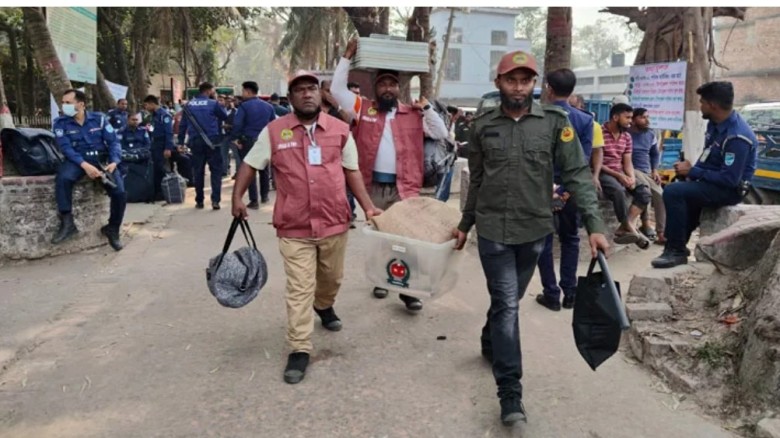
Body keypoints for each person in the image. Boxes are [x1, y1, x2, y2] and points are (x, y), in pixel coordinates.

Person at [453, 50, 609, 426]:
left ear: (535, 84)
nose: (519, 88)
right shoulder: (482, 125)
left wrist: (595, 225)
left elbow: (576, 173)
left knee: (506, 301)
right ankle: (510, 393)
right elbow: (477, 179)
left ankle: (490, 339)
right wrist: (465, 223)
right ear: (499, 83)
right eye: (512, 80)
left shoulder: (555, 123)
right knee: (508, 305)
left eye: (525, 81)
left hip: (534, 231)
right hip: (493, 230)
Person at [231, 70, 381, 385]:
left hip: (334, 221)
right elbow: (250, 164)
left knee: (331, 278)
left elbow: (352, 171)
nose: (307, 93)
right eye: (299, 90)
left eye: (312, 88)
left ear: (320, 94)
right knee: (299, 287)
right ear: (291, 98)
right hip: (294, 225)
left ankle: (324, 305)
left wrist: (367, 206)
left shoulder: (340, 130)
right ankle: (300, 347)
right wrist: (237, 197)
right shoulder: (274, 131)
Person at [332, 37, 449, 312]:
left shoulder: (414, 114)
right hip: (373, 188)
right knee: (382, 238)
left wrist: (427, 108)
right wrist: (347, 56)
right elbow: (336, 89)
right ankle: (383, 279)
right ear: (375, 88)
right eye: (383, 84)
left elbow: (441, 133)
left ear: (399, 88)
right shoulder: (363, 108)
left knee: (408, 239)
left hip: (404, 188)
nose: (387, 88)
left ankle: (408, 291)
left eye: (392, 84)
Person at [652, 81, 757, 268]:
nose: (700, 106)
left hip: (729, 190)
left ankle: (676, 250)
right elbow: (707, 156)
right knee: (683, 188)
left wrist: (694, 171)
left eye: (702, 102)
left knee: (674, 192)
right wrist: (690, 173)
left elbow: (730, 179)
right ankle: (676, 245)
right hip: (714, 183)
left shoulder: (737, 136)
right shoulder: (715, 125)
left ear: (713, 105)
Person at [534, 68, 594, 312]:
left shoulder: (538, 117)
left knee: (544, 241)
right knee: (570, 239)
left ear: (549, 89)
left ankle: (551, 294)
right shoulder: (585, 120)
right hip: (571, 190)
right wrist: (565, 191)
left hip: (542, 189)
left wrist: (552, 189)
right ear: (572, 90)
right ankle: (570, 293)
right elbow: (583, 161)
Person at [52, 89, 126, 251]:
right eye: (63, 103)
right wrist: (85, 165)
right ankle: (67, 222)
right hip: (77, 160)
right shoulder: (60, 123)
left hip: (102, 160)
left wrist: (114, 162)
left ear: (81, 104)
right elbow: (65, 148)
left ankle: (113, 228)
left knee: (119, 192)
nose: (64, 106)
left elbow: (113, 142)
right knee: (63, 178)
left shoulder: (99, 119)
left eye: (68, 103)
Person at [594, 103, 652, 245]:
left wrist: (631, 177)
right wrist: (619, 176)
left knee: (644, 192)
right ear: (615, 117)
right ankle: (629, 227)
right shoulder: (599, 132)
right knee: (618, 191)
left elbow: (627, 161)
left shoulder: (626, 136)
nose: (630, 121)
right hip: (603, 172)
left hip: (619, 171)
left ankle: (625, 226)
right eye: (627, 118)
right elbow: (595, 162)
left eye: (631, 118)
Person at [177, 82, 228, 210]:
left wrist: (180, 142)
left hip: (195, 142)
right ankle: (215, 200)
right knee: (216, 171)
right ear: (209, 90)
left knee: (198, 171)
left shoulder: (188, 105)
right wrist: (219, 103)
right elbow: (224, 116)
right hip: (212, 141)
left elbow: (182, 126)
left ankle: (199, 200)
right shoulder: (213, 103)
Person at [231, 81, 276, 208]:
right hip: (264, 140)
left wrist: (235, 138)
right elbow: (273, 124)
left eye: (243, 91)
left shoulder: (244, 106)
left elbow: (237, 124)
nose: (242, 94)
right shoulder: (268, 106)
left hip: (248, 140)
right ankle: (265, 196)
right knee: (264, 170)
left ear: (248, 92)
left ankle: (254, 200)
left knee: (250, 169)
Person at [629, 108, 666, 243]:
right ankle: (645, 224)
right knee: (646, 190)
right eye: (643, 117)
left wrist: (655, 170)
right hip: (632, 169)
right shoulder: (626, 134)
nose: (647, 120)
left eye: (647, 117)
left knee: (661, 194)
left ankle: (661, 232)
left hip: (647, 171)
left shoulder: (650, 134)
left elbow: (654, 154)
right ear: (633, 120)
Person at [143, 95, 175, 201]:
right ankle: (157, 192)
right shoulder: (152, 116)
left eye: (146, 105)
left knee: (161, 168)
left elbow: (169, 132)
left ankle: (163, 192)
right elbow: (152, 129)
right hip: (154, 144)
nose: (146, 107)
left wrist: (168, 148)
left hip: (162, 144)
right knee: (156, 168)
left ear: (152, 104)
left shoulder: (164, 115)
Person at [118, 112, 151, 177]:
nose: (135, 122)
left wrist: (140, 153)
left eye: (136, 120)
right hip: (127, 158)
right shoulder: (121, 131)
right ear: (128, 120)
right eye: (133, 120)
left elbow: (148, 145)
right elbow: (119, 146)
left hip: (141, 157)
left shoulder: (143, 131)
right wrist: (130, 154)